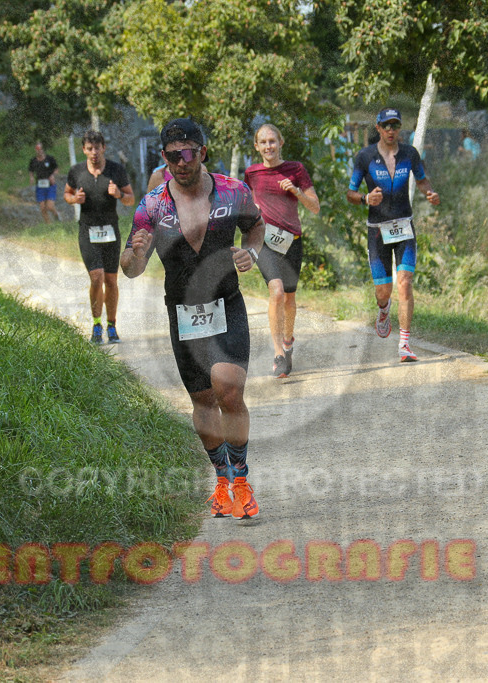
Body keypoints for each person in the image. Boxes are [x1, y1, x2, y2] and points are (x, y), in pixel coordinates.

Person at [121, 118, 264, 521]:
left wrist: (250, 254)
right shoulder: (152, 206)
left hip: (226, 302)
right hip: (182, 312)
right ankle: (222, 480)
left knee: (228, 389)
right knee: (202, 399)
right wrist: (134, 252)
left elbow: (256, 227)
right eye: (172, 156)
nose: (182, 162)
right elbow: (131, 269)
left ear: (202, 152)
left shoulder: (233, 192)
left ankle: (242, 479)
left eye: (189, 153)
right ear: (164, 158)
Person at [346, 107, 440, 362]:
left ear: (400, 128)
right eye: (385, 126)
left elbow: (422, 180)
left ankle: (405, 344)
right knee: (383, 292)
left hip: (404, 227)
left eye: (395, 125)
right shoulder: (364, 157)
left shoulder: (410, 153)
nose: (390, 130)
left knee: (406, 282)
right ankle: (384, 309)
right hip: (377, 232)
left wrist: (429, 192)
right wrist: (366, 198)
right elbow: (350, 193)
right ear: (377, 128)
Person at [243, 123, 320, 378]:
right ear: (256, 147)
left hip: (291, 242)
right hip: (265, 241)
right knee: (275, 291)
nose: (268, 146)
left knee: (289, 298)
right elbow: (247, 204)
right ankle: (278, 353)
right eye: (263, 142)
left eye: (272, 141)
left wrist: (297, 192)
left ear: (281, 142)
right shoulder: (251, 173)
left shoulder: (296, 169)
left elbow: (315, 207)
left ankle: (288, 341)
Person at [64, 130, 136, 344]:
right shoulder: (76, 171)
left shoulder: (116, 170)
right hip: (87, 230)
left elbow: (131, 200)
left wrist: (119, 195)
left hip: (110, 232)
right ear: (84, 150)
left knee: (111, 280)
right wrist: (74, 198)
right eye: (89, 149)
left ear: (104, 148)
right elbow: (67, 194)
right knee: (96, 277)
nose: (94, 152)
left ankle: (112, 326)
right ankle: (97, 324)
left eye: (97, 148)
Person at [29, 142, 60, 223]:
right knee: (42, 208)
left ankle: (56, 215)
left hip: (50, 185)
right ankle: (49, 225)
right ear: (36, 150)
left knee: (50, 206)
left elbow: (56, 169)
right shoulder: (33, 161)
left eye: (41, 149)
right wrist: (31, 177)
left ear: (43, 149)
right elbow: (31, 170)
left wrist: (53, 175)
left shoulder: (50, 159)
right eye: (38, 149)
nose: (40, 151)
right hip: (40, 186)